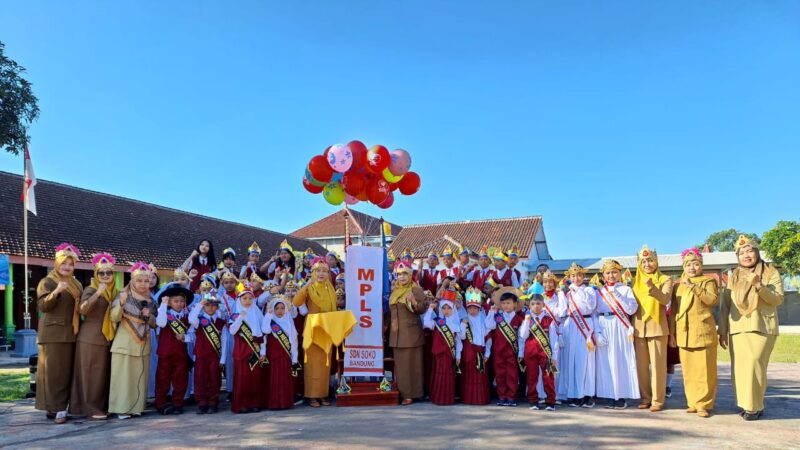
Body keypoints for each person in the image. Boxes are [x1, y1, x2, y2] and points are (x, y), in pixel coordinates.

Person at [720, 235, 784, 421]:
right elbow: (725, 305)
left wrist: (759, 285)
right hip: (738, 327)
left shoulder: (770, 272)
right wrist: (722, 330)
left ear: (756, 252)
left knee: (755, 364)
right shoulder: (734, 275)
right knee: (740, 368)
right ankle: (751, 404)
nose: (746, 256)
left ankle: (753, 406)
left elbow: (777, 298)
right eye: (742, 253)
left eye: (750, 251)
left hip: (762, 325)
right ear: (737, 256)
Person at [36, 243, 83, 424]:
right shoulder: (47, 281)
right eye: (64, 263)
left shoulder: (76, 283)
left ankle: (58, 407)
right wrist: (56, 291)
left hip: (72, 332)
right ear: (57, 263)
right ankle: (57, 409)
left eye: (71, 264)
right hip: (53, 334)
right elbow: (42, 306)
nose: (67, 267)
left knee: (66, 373)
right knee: (54, 373)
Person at [69, 252, 117, 420]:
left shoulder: (115, 292)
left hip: (108, 338)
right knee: (90, 374)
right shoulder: (91, 289)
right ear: (96, 275)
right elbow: (83, 310)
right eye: (101, 273)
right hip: (90, 338)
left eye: (108, 273)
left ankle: (102, 405)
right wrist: (98, 293)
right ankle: (89, 408)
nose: (105, 276)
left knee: (103, 375)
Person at [673, 248, 719, 418]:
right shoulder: (678, 285)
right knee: (689, 371)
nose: (692, 268)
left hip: (702, 331)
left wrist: (693, 287)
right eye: (688, 264)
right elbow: (675, 311)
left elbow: (712, 300)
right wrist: (672, 333)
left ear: (701, 265)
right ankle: (692, 402)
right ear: (683, 266)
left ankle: (704, 404)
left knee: (705, 370)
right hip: (684, 332)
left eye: (695, 264)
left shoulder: (708, 281)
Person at [109, 262, 158, 419]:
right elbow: (114, 318)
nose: (143, 284)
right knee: (123, 378)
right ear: (132, 281)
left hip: (143, 343)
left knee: (139, 377)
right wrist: (122, 304)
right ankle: (121, 408)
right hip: (124, 343)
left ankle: (137, 406)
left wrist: (148, 315)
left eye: (146, 281)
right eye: (139, 281)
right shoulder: (123, 295)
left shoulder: (151, 301)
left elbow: (155, 323)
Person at [631, 245, 674, 412]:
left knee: (658, 366)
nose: (647, 264)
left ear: (656, 262)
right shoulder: (635, 282)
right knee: (641, 366)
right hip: (639, 327)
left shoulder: (665, 279)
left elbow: (665, 299)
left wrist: (652, 287)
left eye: (650, 261)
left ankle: (658, 399)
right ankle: (646, 397)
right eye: (643, 261)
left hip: (657, 326)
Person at [594, 259, 640, 409]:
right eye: (608, 273)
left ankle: (620, 395)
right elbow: (594, 313)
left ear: (620, 273)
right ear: (603, 275)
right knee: (605, 361)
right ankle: (608, 394)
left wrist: (619, 296)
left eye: (614, 272)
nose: (611, 275)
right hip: (603, 324)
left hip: (619, 325)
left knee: (620, 360)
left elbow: (632, 310)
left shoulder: (626, 290)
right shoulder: (599, 292)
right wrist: (598, 333)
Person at [292, 257, 338, 407]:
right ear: (312, 272)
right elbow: (296, 302)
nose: (321, 274)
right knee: (312, 364)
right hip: (312, 329)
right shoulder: (309, 287)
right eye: (318, 270)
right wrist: (305, 286)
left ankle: (323, 394)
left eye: (325, 271)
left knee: (325, 364)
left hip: (327, 329)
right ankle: (312, 396)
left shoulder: (330, 288)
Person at [388, 261, 426, 405]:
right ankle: (403, 393)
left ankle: (412, 394)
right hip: (396, 334)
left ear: (410, 275)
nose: (402, 277)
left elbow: (423, 308)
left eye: (405, 274)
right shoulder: (395, 291)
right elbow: (390, 312)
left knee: (413, 366)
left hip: (411, 334)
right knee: (401, 367)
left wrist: (414, 302)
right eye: (399, 274)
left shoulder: (415, 289)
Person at [560, 263, 597, 408]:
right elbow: (563, 312)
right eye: (573, 276)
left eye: (579, 275)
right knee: (572, 361)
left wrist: (578, 290)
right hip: (570, 325)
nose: (576, 278)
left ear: (584, 276)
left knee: (585, 361)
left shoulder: (589, 290)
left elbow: (590, 306)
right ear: (569, 277)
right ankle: (574, 394)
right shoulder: (567, 294)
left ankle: (587, 395)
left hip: (585, 325)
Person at [154, 284, 193, 415]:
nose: (179, 304)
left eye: (182, 301)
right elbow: (161, 323)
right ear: (169, 301)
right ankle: (160, 403)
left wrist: (185, 337)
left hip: (181, 353)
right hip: (165, 352)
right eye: (175, 301)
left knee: (180, 379)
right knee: (162, 378)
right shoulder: (164, 313)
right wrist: (163, 306)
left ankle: (178, 403)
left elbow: (192, 335)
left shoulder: (188, 317)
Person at [229, 285, 267, 413]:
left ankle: (255, 403)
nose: (247, 301)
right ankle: (242, 404)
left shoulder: (257, 314)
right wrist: (240, 317)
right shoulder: (235, 314)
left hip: (255, 350)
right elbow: (232, 330)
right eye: (244, 298)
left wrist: (263, 351)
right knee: (242, 379)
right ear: (239, 300)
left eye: (250, 298)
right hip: (241, 351)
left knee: (255, 379)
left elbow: (263, 334)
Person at [484, 287, 525, 406]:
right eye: (503, 303)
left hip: (512, 352)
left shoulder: (519, 319)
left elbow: (521, 338)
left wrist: (521, 352)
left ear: (515, 304)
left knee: (512, 375)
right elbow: (489, 326)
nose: (506, 306)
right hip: (498, 351)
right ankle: (502, 396)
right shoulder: (497, 317)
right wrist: (491, 312)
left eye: (508, 303)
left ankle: (511, 397)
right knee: (500, 375)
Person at [188, 293, 227, 414]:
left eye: (214, 305)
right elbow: (190, 318)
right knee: (200, 379)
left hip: (215, 356)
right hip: (200, 355)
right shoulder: (199, 320)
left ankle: (213, 403)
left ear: (217, 307)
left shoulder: (221, 322)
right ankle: (202, 403)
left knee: (215, 379)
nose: (210, 308)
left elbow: (224, 340)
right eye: (208, 305)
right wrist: (200, 304)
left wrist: (223, 359)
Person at [519, 294, 559, 411]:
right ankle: (533, 400)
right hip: (531, 354)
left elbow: (554, 339)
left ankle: (550, 401)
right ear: (529, 305)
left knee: (549, 377)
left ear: (543, 305)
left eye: (538, 304)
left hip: (546, 354)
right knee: (532, 378)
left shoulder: (549, 320)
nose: (536, 307)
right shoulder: (527, 319)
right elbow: (523, 335)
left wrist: (554, 356)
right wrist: (526, 322)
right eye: (533, 304)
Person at [422, 290, 462, 406]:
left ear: (453, 309)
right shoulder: (437, 321)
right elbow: (426, 323)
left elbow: (458, 341)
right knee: (439, 374)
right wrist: (430, 309)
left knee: (449, 375)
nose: (446, 311)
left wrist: (458, 354)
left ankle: (448, 398)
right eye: (444, 308)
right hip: (439, 354)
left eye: (449, 308)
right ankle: (438, 398)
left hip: (449, 354)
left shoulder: (456, 324)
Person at [262, 295, 300, 410]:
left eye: (282, 308)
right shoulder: (271, 321)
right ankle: (274, 403)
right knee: (273, 379)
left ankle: (285, 403)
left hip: (285, 356)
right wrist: (268, 315)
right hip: (273, 355)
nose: (279, 311)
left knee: (284, 379)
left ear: (286, 309)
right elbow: (265, 330)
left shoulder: (289, 321)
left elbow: (293, 341)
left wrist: (295, 358)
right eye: (277, 308)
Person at [459, 287, 491, 405]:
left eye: (475, 308)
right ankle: (468, 398)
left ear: (479, 308)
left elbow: (488, 338)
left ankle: (480, 399)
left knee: (480, 375)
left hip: (480, 351)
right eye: (470, 308)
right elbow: (462, 337)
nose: (472, 310)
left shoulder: (484, 320)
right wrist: (463, 325)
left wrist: (487, 352)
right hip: (469, 351)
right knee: (469, 375)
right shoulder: (464, 319)